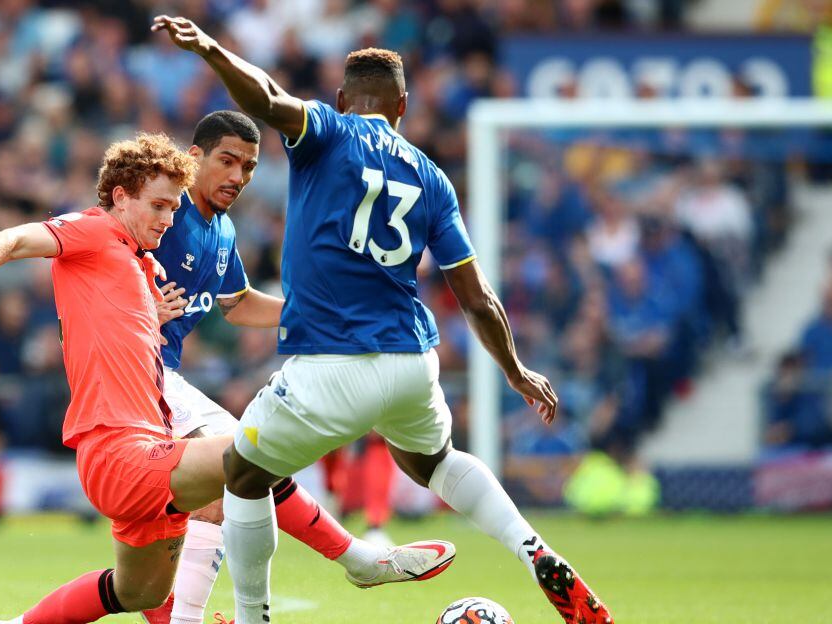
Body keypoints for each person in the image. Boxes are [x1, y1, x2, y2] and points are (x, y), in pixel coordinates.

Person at [152, 16, 613, 624]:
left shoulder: (328, 129)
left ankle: (251, 615)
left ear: (344, 99)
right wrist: (517, 369)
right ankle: (534, 549)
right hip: (413, 363)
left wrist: (209, 46)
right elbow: (476, 297)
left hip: (332, 366)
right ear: (402, 105)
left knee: (241, 475)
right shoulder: (432, 176)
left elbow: (263, 98)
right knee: (434, 461)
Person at [0, 132, 450, 624]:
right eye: (157, 205)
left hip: (135, 454)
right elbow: (18, 236)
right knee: (255, 452)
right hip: (121, 452)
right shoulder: (95, 230)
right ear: (120, 197)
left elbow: (109, 330)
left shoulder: (143, 270)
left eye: (174, 208)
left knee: (138, 591)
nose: (167, 217)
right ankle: (358, 559)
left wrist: (149, 319)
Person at [151, 110, 455, 624]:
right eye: (227, 161)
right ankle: (359, 558)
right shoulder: (161, 209)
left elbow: (239, 303)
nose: (237, 177)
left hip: (161, 376)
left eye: (247, 167)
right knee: (245, 454)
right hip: (132, 373)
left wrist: (320, 311)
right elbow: (98, 256)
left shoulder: (220, 231)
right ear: (192, 157)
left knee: (201, 502)